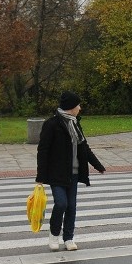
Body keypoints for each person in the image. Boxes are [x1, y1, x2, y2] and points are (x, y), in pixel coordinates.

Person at [36, 91, 106, 251]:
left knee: (71, 207)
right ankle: (54, 236)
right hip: (57, 174)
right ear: (70, 107)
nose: (80, 108)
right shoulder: (52, 124)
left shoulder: (75, 124)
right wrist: (40, 176)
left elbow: (84, 147)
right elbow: (43, 150)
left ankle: (68, 238)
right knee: (61, 204)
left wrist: (97, 165)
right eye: (78, 105)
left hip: (73, 173)